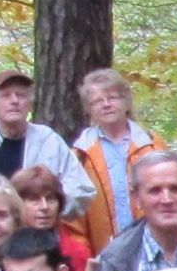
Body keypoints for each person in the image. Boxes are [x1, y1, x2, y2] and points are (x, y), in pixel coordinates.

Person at [65, 67, 168, 252]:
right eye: (97, 101)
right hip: (103, 254)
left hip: (154, 248)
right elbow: (75, 221)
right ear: (88, 109)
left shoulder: (153, 146)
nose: (106, 104)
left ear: (126, 102)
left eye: (112, 98)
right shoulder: (79, 155)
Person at [0, 67, 97, 207]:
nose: (14, 101)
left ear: (30, 104)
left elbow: (82, 190)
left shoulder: (48, 140)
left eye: (21, 95)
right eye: (6, 95)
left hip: (39, 228)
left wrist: (50, 208)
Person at [11, 164, 97, 271]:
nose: (44, 207)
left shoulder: (78, 253)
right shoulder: (5, 252)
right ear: (17, 205)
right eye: (34, 199)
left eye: (50, 199)